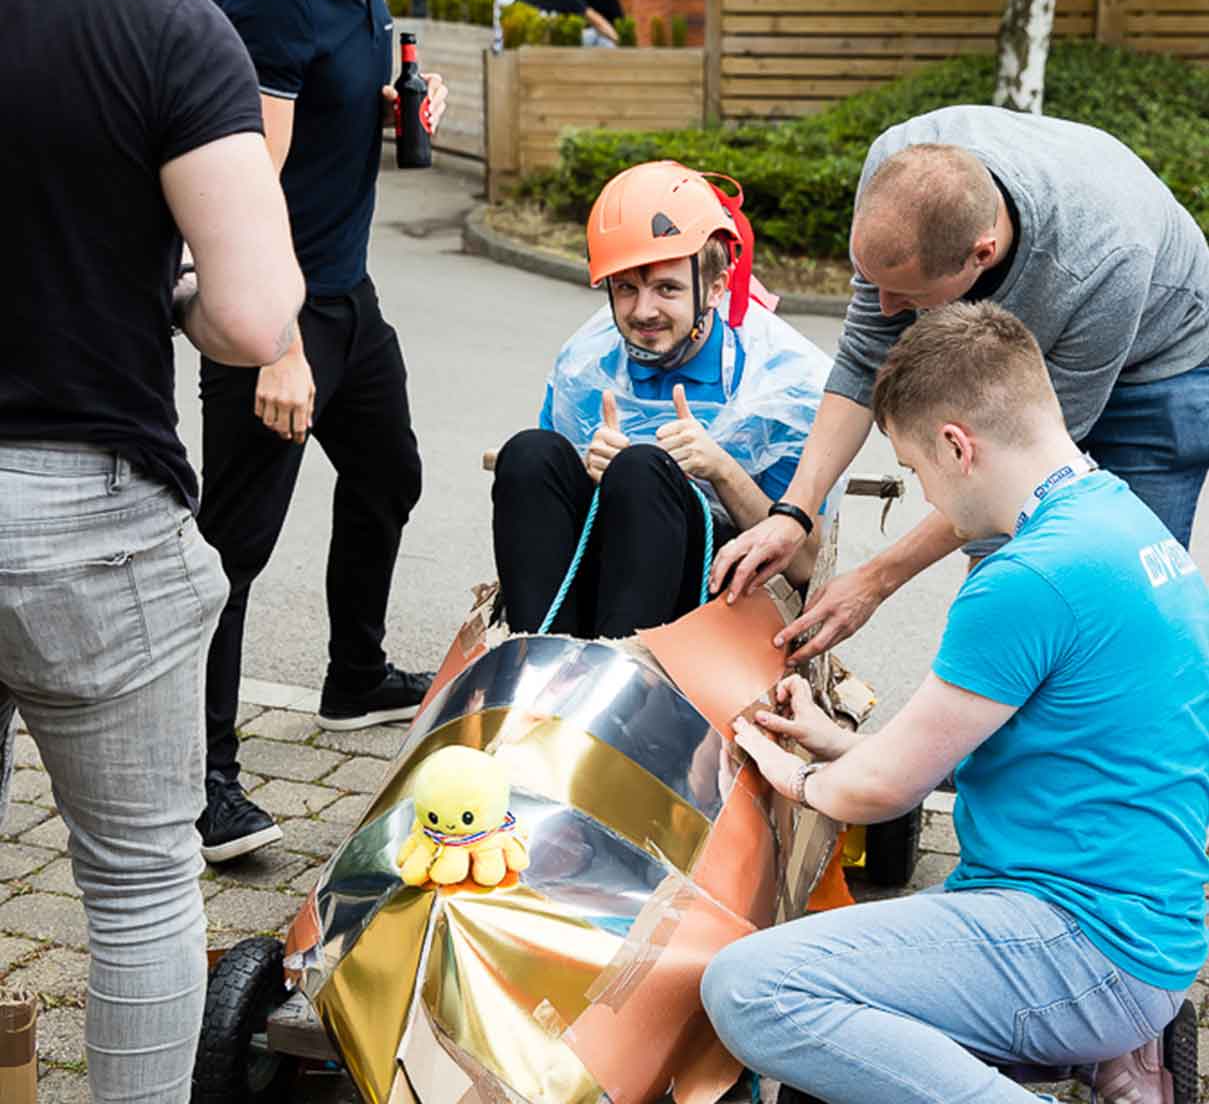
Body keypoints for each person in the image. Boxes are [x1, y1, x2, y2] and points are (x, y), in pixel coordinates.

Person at [703, 302, 1209, 1104]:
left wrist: (789, 773)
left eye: (914, 473)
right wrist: (834, 743)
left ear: (954, 444)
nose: (924, 493)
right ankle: (1113, 1051)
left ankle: (1082, 1053)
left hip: (1081, 941)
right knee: (838, 1050)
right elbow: (1019, 739)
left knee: (752, 989)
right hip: (1137, 926)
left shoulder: (1024, 577)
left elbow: (880, 794)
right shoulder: (1121, 519)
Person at [0, 0, 305, 1098]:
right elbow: (251, 317)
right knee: (133, 886)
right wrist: (173, 281)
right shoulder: (168, 22)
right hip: (91, 514)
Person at [711, 106, 1209, 662]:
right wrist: (792, 514)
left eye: (907, 296)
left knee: (1122, 595)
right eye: (877, 284)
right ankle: (990, 714)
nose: (886, 308)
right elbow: (861, 358)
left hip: (1157, 370)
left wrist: (876, 580)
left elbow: (1023, 469)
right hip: (1049, 302)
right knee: (1001, 586)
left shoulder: (1104, 262)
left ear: (982, 254)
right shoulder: (897, 164)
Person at [195, 0, 449, 864]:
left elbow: (317, 122)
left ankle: (353, 678)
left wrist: (387, 109)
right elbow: (240, 191)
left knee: (390, 474)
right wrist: (274, 346)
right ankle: (202, 785)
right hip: (274, 310)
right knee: (233, 549)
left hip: (346, 292)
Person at [492, 161, 838, 638]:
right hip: (598, 581)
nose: (643, 311)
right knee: (529, 455)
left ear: (716, 288)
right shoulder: (585, 367)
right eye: (626, 288)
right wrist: (592, 477)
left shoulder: (782, 382)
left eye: (667, 288)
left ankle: (622, 673)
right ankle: (539, 659)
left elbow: (804, 565)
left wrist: (720, 468)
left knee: (641, 472)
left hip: (713, 598)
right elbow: (547, 507)